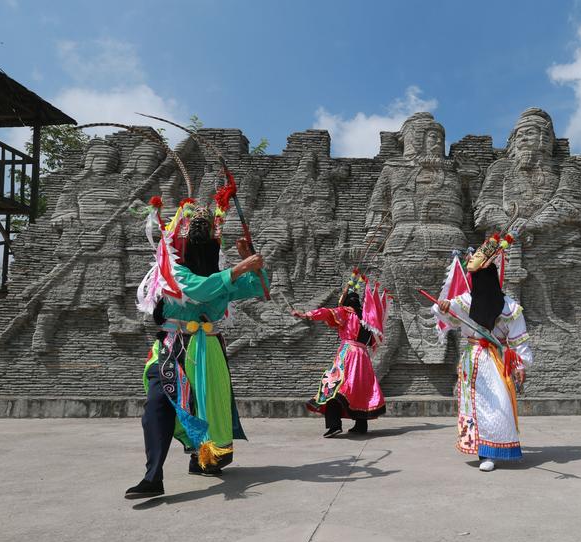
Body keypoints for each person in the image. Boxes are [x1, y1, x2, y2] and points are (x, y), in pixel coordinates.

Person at [125, 193, 270, 499]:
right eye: (196, 230)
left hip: (208, 349)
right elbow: (197, 290)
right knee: (157, 405)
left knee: (205, 405)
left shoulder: (221, 277)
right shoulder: (174, 270)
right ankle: (153, 476)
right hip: (172, 348)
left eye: (207, 231)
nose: (202, 236)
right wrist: (241, 268)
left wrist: (254, 262)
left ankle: (201, 456)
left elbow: (259, 287)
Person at [432, 234, 533, 472]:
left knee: (498, 405)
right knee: (476, 406)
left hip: (497, 360)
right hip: (472, 358)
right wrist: (444, 307)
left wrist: (520, 365)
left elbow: (518, 341)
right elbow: (443, 310)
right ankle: (483, 452)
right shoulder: (466, 301)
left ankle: (494, 449)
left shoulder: (510, 307)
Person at [292, 270, 389, 437]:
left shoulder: (347, 312)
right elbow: (373, 341)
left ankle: (334, 424)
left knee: (333, 386)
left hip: (348, 354)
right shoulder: (367, 318)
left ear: (347, 303)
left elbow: (327, 312)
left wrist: (306, 315)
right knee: (359, 390)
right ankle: (360, 426)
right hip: (363, 357)